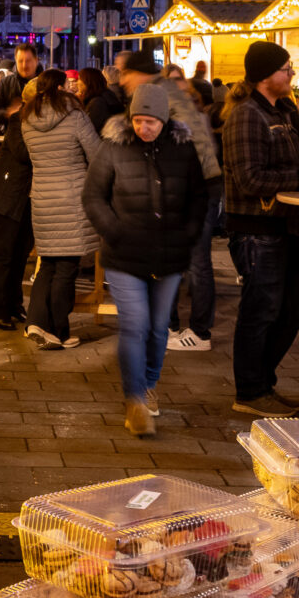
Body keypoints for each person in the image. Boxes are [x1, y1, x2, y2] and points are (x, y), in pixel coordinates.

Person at [85, 81, 208, 436]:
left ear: (164, 119)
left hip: (169, 256)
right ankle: (135, 399)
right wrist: (114, 229)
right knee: (135, 324)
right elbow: (94, 196)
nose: (144, 128)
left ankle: (149, 382)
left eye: (150, 122)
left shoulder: (183, 150)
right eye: (138, 121)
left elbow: (199, 197)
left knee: (158, 328)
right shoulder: (114, 148)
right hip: (124, 254)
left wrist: (188, 233)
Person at [223, 41, 299, 417]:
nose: (291, 74)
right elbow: (249, 179)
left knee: (296, 307)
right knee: (260, 309)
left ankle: (263, 381)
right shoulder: (247, 115)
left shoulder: (282, 112)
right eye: (285, 68)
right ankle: (251, 390)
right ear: (265, 76)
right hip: (257, 227)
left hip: (285, 225)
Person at [19, 70, 101, 349]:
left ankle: (36, 323)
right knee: (66, 267)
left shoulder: (27, 120)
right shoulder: (75, 116)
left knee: (48, 264)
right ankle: (58, 332)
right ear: (61, 87)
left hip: (42, 198)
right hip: (72, 199)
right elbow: (96, 155)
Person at [166, 76, 225, 351]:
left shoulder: (184, 119)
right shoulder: (187, 116)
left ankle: (199, 332)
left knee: (196, 263)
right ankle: (175, 326)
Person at [0, 100, 34, 330]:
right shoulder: (17, 121)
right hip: (8, 196)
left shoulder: (35, 123)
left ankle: (14, 305)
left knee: (21, 253)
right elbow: (22, 153)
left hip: (28, 199)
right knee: (3, 253)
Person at [88, 50, 158, 131]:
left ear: (142, 73)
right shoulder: (142, 98)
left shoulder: (161, 100)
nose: (122, 82)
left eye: (126, 73)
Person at [0, 41, 44, 134]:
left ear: (36, 60)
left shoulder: (46, 83)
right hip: (14, 138)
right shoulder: (6, 83)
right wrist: (8, 113)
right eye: (20, 61)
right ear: (15, 60)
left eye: (28, 61)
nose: (24, 65)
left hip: (40, 137)